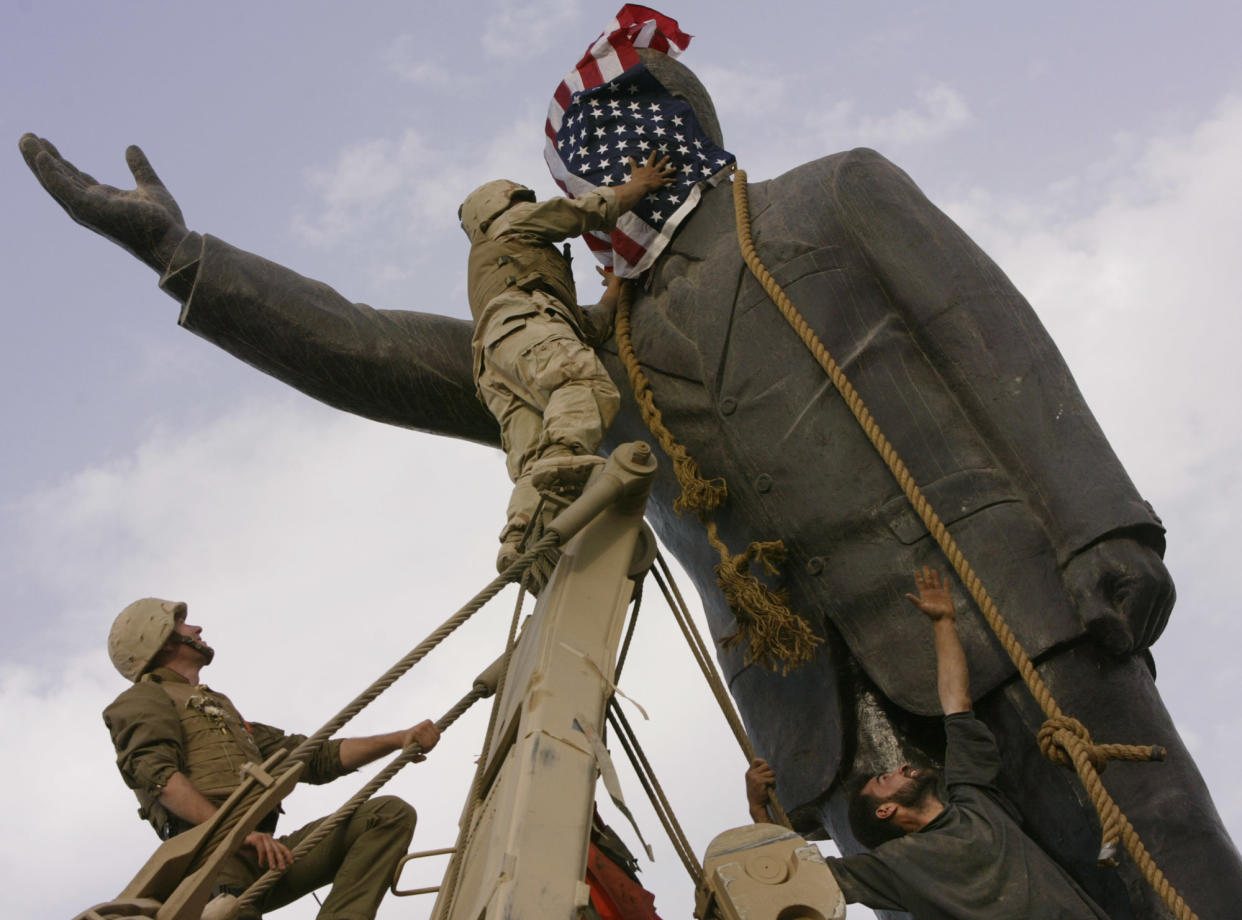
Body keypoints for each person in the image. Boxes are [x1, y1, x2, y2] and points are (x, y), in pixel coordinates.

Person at [20, 31, 1242, 918]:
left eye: (611, 133)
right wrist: (189, 263)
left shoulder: (833, 199)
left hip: (1010, 621)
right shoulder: (595, 358)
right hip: (836, 730)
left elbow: (998, 340)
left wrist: (1103, 530)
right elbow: (377, 349)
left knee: (1168, 875)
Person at [746, 568, 1108, 919]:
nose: (901, 766)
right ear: (885, 811)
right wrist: (759, 811)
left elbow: (956, 705)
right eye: (886, 780)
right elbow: (787, 879)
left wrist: (944, 623)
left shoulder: (974, 802)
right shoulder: (893, 866)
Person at [103, 597, 441, 919]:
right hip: (209, 864)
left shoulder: (224, 712)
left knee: (385, 816)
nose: (196, 629)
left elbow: (315, 756)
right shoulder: (143, 699)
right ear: (162, 641)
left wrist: (400, 739)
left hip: (262, 853)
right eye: (183, 624)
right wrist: (237, 834)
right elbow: (161, 779)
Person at [459, 154, 675, 570]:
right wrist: (639, 185)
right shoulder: (509, 224)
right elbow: (577, 214)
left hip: (496, 363)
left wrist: (613, 291)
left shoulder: (501, 262)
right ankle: (561, 473)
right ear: (500, 204)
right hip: (524, 325)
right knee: (583, 384)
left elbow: (586, 329)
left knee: (533, 461)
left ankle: (523, 540)